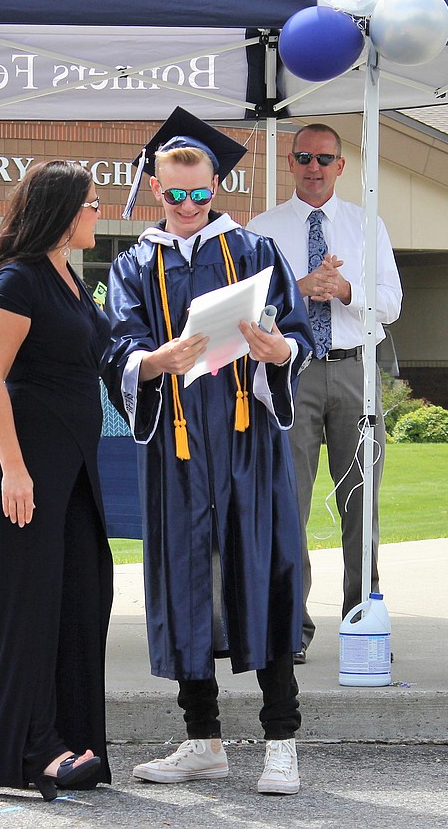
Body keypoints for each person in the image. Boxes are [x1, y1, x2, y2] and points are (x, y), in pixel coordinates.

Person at [105, 108, 313, 796]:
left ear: (217, 186)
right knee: (186, 582)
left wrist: (279, 351)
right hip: (178, 445)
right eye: (174, 194)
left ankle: (281, 742)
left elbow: (298, 334)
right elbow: (115, 347)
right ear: (155, 188)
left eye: (199, 193)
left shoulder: (254, 253)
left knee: (267, 573)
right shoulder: (134, 264)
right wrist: (152, 361)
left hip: (250, 443)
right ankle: (203, 739)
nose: (188, 206)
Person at [0, 161, 113, 800]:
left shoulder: (69, 279)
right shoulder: (20, 278)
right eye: (90, 203)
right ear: (61, 211)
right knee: (25, 608)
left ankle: (73, 740)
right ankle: (27, 754)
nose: (98, 212)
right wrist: (13, 469)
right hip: (23, 465)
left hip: (72, 465)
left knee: (80, 597)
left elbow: (105, 357)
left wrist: (175, 354)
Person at [247, 123, 402, 661]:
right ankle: (292, 626)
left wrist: (347, 289)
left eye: (325, 158)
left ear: (341, 166)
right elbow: (245, 310)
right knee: (289, 501)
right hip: (293, 372)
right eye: (304, 157)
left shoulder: (366, 225)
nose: (314, 167)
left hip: (355, 371)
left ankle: (363, 620)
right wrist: (299, 287)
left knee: (362, 503)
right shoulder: (262, 230)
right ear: (290, 163)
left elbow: (392, 302)